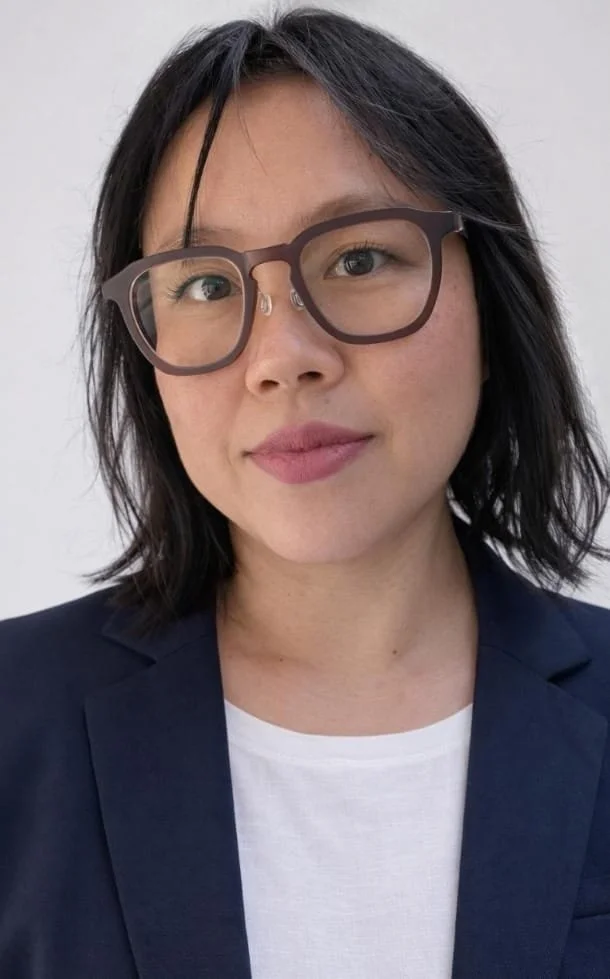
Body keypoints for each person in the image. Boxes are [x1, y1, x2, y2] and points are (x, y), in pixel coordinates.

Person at [1, 6, 610, 978]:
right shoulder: (15, 722)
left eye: (360, 258)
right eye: (203, 284)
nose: (284, 358)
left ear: (491, 307)